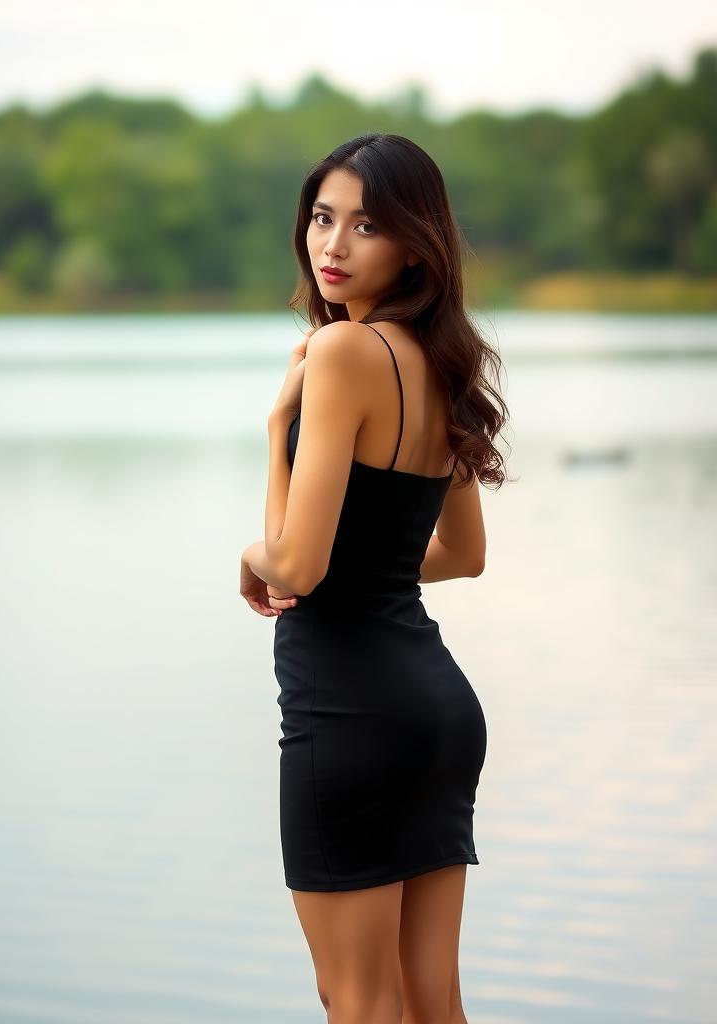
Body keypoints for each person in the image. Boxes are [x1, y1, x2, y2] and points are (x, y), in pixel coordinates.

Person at [239, 132, 510, 1024]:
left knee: (357, 1003)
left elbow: (295, 564)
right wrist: (356, 569)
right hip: (436, 713)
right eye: (324, 218)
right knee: (434, 1003)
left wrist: (271, 446)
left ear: (413, 244)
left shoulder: (341, 357)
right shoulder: (441, 361)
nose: (334, 245)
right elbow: (460, 556)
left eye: (366, 225)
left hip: (347, 713)